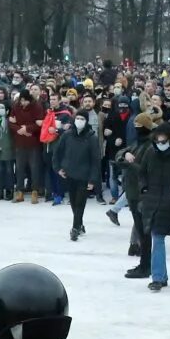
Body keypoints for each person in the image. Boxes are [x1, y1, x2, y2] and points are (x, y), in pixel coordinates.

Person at [127, 120, 170, 291]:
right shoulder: (150, 153)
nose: (161, 144)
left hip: (169, 202)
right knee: (156, 237)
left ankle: (159, 277)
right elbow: (142, 173)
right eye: (158, 141)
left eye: (164, 141)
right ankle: (160, 276)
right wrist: (144, 189)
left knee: (158, 237)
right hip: (151, 200)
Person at [53, 104, 105, 243]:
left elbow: (95, 160)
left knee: (80, 203)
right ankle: (80, 224)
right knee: (74, 202)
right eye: (78, 118)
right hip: (69, 174)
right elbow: (57, 153)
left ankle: (75, 228)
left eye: (82, 118)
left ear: (86, 121)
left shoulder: (91, 138)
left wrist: (93, 180)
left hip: (84, 176)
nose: (79, 120)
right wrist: (58, 168)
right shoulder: (67, 135)